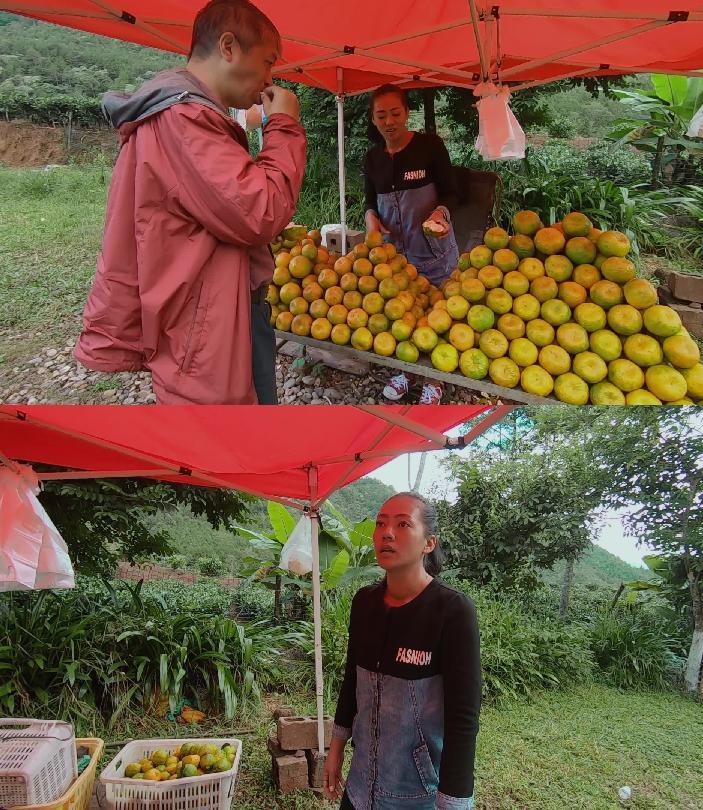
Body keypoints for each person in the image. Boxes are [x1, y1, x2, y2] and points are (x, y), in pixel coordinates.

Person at [73, 0, 305, 405]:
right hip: (209, 326)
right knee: (243, 448)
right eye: (268, 61)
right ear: (228, 47)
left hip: (208, 314)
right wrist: (284, 126)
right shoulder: (185, 120)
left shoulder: (181, 115)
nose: (270, 78)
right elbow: (259, 211)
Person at [323, 492, 479, 810]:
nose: (387, 533)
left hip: (416, 793)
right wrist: (336, 747)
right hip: (359, 786)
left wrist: (453, 802)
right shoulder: (364, 603)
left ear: (429, 543)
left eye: (403, 524)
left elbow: (464, 717)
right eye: (380, 524)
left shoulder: (451, 610)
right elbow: (351, 680)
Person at [361, 84, 461, 404]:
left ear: (406, 113)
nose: (389, 121)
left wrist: (440, 213)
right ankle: (405, 373)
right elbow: (369, 204)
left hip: (433, 252)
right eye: (381, 115)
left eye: (395, 113)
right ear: (373, 119)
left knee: (438, 314)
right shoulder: (372, 158)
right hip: (396, 256)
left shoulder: (429, 146)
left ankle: (435, 379)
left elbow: (451, 192)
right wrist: (370, 221)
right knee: (402, 315)